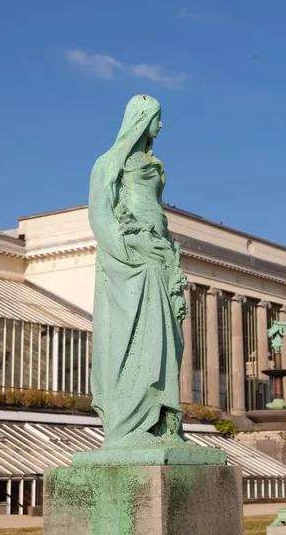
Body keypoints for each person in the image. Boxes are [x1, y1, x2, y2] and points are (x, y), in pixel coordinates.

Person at [88, 94, 188, 448]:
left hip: (161, 256)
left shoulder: (156, 162)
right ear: (141, 120)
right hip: (132, 261)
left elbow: (155, 207)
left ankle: (164, 423)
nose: (161, 126)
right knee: (136, 337)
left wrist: (164, 252)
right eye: (156, 119)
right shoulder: (108, 162)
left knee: (171, 339)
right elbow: (101, 214)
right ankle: (133, 422)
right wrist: (128, 251)